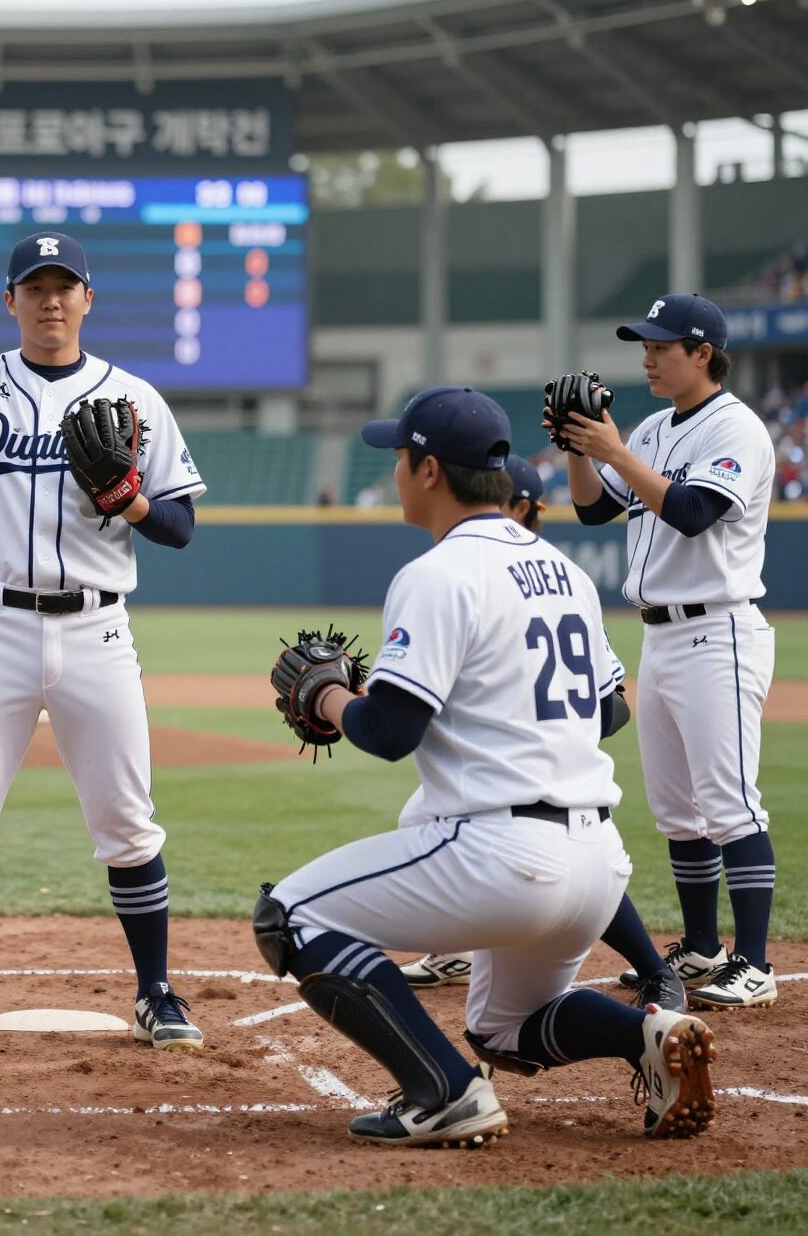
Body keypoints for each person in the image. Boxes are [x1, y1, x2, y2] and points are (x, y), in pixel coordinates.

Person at [254, 387, 717, 1147]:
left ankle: (442, 1093)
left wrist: (330, 697)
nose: (396, 470)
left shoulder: (435, 573)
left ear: (429, 470)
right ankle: (647, 1037)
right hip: (599, 868)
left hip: (502, 858)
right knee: (504, 1028)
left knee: (292, 916)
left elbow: (392, 732)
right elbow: (605, 711)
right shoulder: (563, 571)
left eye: (400, 457)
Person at [0, 177, 207, 1053]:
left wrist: (130, 501)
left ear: (87, 300)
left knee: (129, 822)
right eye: (35, 290)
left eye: (65, 290)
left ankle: (158, 992)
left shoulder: (137, 398)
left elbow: (179, 526)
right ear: (11, 301)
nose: (50, 302)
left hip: (99, 630)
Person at [554, 294, 778, 1009]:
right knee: (679, 811)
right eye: (643, 346)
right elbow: (594, 507)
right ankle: (704, 947)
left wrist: (613, 447)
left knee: (731, 804)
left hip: (721, 631)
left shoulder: (737, 429)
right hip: (662, 633)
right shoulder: (652, 428)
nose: (646, 358)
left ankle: (755, 962)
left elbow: (689, 512)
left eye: (660, 347)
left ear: (702, 353)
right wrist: (580, 450)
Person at [400, 455, 685, 1012]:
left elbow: (608, 705)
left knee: (531, 840)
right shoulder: (557, 574)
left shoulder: (480, 570)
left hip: (534, 765)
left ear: (523, 507)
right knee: (427, 814)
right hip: (541, 759)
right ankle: (456, 948)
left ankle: (653, 969)